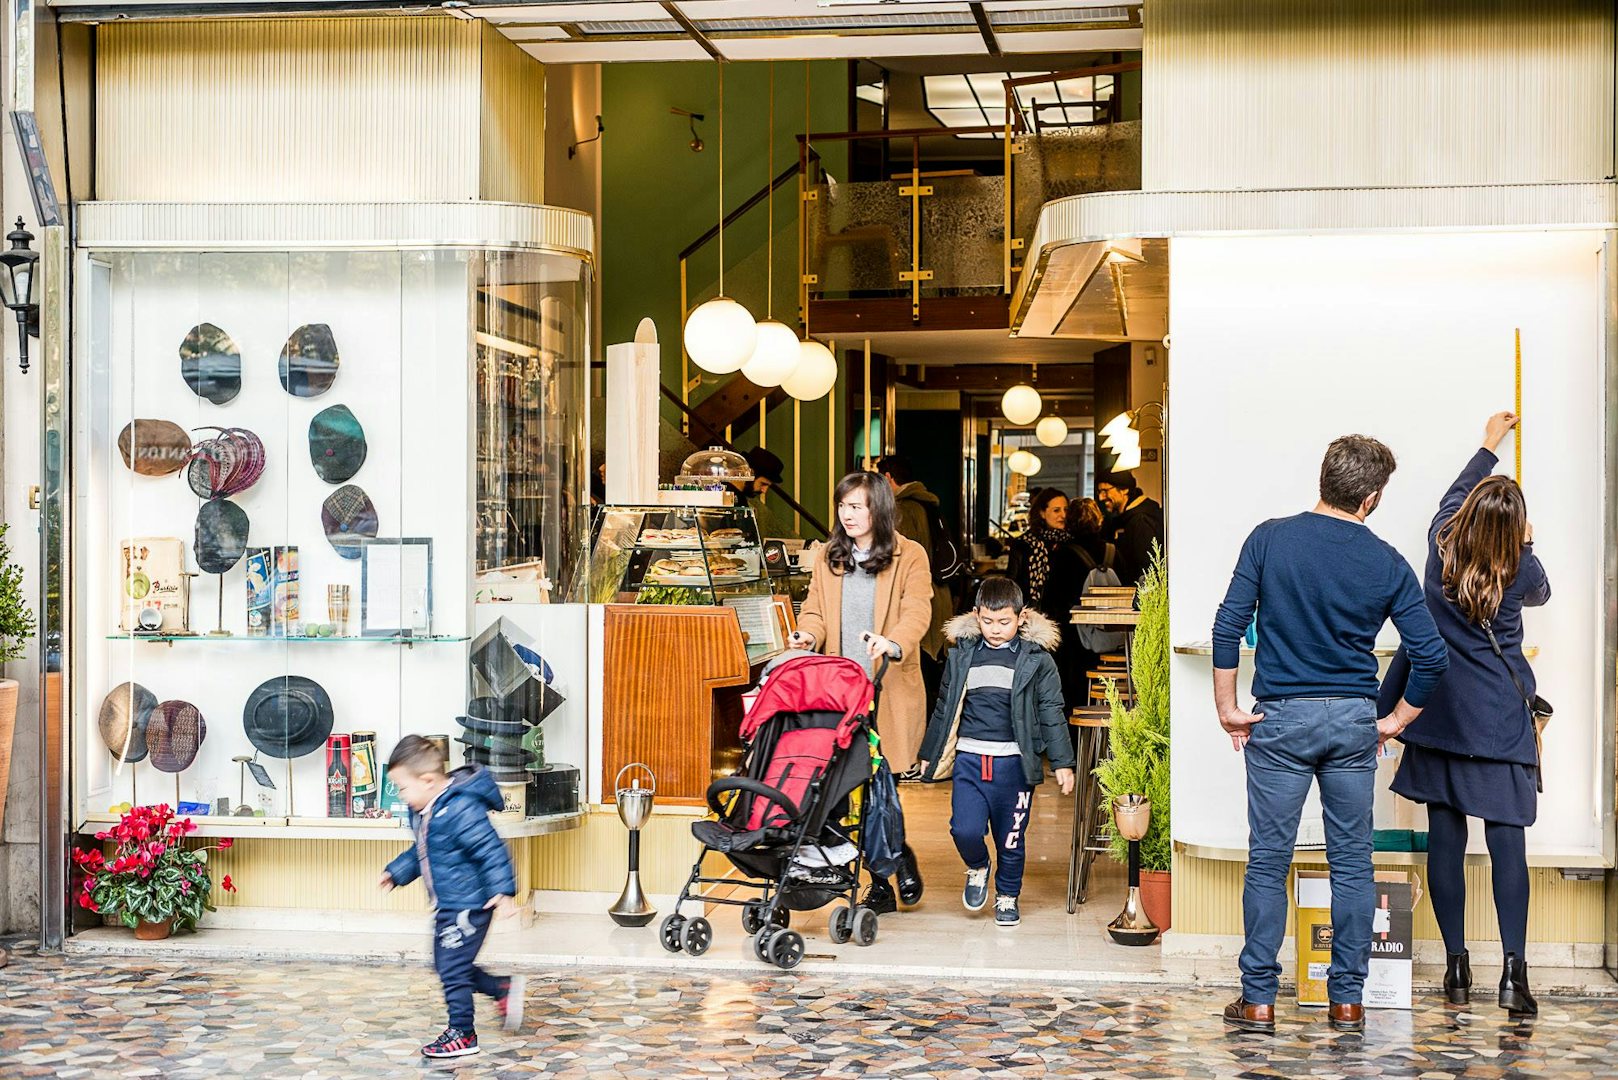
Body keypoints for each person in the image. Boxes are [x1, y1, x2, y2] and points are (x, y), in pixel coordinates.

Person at [1212, 435, 1448, 1036]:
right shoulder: (1387, 561)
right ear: (1370, 498)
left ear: (1324, 480)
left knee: (1268, 863)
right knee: (1351, 864)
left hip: (1280, 720)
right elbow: (1431, 657)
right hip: (1350, 722)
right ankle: (1347, 1002)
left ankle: (1259, 1001)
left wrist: (1228, 708)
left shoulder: (1269, 538)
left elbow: (1227, 626)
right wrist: (1393, 722)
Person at [1378, 411, 1548, 1016]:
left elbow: (1454, 496)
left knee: (1445, 842)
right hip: (1499, 723)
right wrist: (1524, 540)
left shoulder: (1438, 544)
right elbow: (1544, 590)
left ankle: (1455, 969)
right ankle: (1514, 977)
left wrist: (1487, 446)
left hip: (1440, 716)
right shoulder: (1518, 567)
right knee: (1508, 848)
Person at [790, 471, 932, 913]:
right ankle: (881, 865)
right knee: (836, 784)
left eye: (857, 506)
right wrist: (807, 636)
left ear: (879, 510)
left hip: (883, 686)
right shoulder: (828, 556)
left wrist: (893, 643)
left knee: (877, 785)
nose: (846, 515)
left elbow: (917, 609)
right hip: (837, 689)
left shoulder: (910, 555)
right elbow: (814, 610)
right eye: (842, 506)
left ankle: (883, 878)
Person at [916, 577, 1076, 927]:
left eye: (1004, 622)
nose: (995, 629)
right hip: (970, 760)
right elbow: (944, 706)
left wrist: (1063, 762)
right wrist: (930, 750)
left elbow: (1052, 710)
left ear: (1020, 617)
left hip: (1015, 766)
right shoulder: (963, 655)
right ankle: (977, 867)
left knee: (1011, 838)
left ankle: (1007, 895)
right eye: (987, 621)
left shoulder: (1036, 661)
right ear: (976, 615)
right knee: (964, 829)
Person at [380, 736, 524, 1058]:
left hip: (470, 905)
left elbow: (490, 849)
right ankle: (501, 988)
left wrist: (503, 892)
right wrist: (396, 872)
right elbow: (424, 851)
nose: (401, 796)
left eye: (402, 788)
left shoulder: (461, 808)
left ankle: (462, 1032)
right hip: (449, 903)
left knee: (453, 969)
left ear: (428, 781)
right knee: (446, 966)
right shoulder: (426, 810)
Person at [875, 454, 957, 717]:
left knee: (919, 676)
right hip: (938, 596)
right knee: (933, 675)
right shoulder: (927, 503)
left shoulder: (903, 510)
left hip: (920, 600)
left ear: (888, 478)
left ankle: (921, 739)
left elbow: (898, 562)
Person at [1006, 488, 1095, 710]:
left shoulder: (1073, 545)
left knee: (1068, 684)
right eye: (1056, 510)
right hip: (1034, 625)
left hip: (1070, 627)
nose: (1062, 514)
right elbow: (1013, 585)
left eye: (1065, 509)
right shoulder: (1024, 545)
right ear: (1041, 513)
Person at [1097, 472, 1164, 588]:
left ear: (1124, 490)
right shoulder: (1128, 519)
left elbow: (1148, 568)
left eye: (1105, 491)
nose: (1101, 497)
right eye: (1100, 492)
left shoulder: (1141, 521)